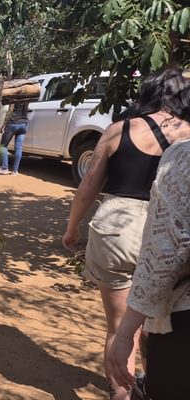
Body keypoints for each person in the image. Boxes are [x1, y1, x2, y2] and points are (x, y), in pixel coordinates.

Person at [62, 68, 190, 400]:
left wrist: (72, 227)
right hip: (169, 234)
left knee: (119, 328)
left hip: (117, 229)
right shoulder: (188, 136)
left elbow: (89, 185)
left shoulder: (120, 130)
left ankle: (121, 392)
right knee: (160, 325)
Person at [0, 102, 30, 175]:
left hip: (13, 122)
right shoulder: (27, 98)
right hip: (24, 123)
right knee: (19, 147)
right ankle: (15, 170)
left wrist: (4, 124)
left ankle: (4, 168)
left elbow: (10, 110)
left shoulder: (15, 98)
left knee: (3, 145)